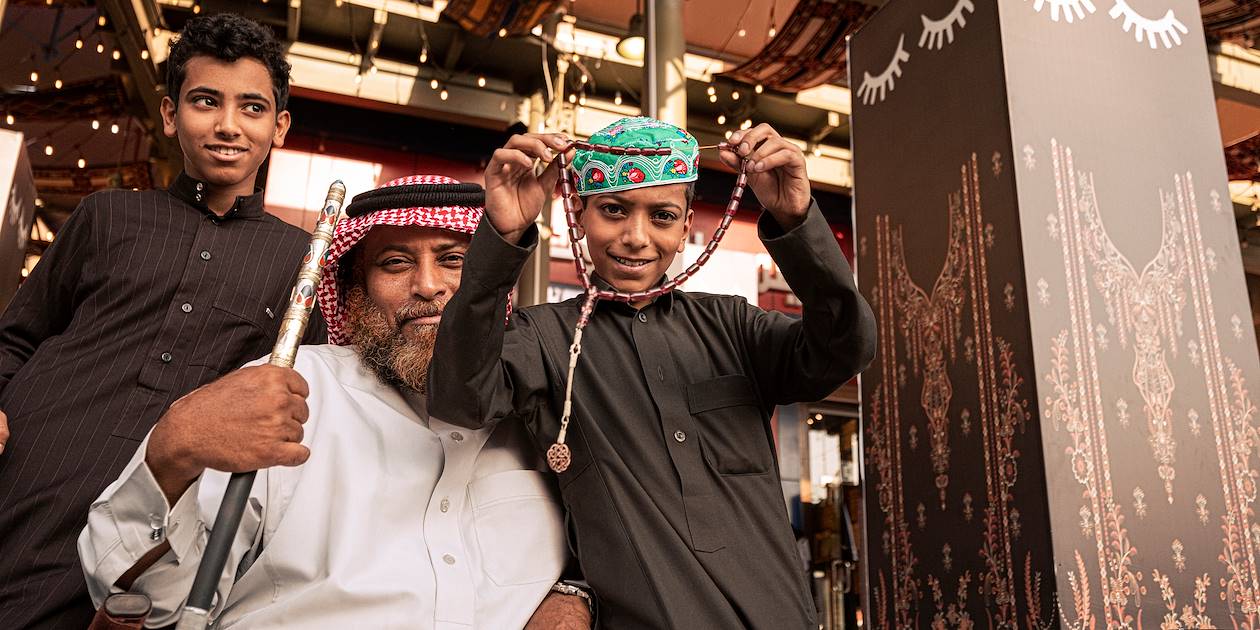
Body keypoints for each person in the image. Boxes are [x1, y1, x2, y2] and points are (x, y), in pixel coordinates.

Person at [79, 175, 592, 629]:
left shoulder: (550, 403)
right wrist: (173, 455)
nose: (430, 286)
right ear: (354, 292)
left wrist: (576, 592)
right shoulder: (290, 388)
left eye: (456, 261)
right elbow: (157, 605)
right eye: (396, 263)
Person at [427, 117, 877, 628]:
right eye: (614, 211)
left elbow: (845, 348)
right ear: (578, 214)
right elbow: (459, 399)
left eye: (661, 216)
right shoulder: (545, 337)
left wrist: (797, 219)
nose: (636, 237)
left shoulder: (731, 324)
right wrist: (502, 236)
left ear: (686, 229)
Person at [0, 13, 328, 628]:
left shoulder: (303, 262)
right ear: (173, 114)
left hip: (152, 527)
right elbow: (17, 337)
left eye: (252, 108)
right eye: (206, 101)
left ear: (279, 126)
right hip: (26, 472)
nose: (228, 125)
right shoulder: (107, 216)